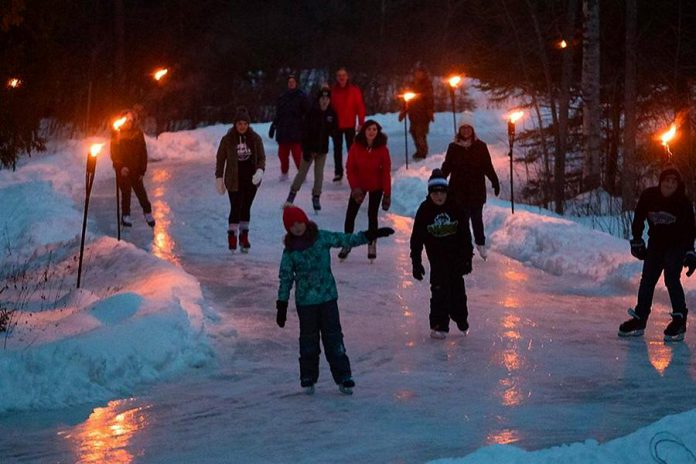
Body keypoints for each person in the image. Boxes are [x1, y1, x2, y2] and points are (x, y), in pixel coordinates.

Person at [276, 206, 394, 394]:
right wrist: (282, 304)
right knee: (308, 341)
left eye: (299, 222)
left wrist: (370, 234)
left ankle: (343, 376)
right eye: (292, 226)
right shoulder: (290, 251)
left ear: (305, 221)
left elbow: (345, 239)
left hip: (327, 299)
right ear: (287, 229)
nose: (297, 228)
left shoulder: (321, 237)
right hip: (305, 303)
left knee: (334, 338)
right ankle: (308, 377)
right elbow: (285, 277)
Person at [619, 164, 696, 342]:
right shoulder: (649, 196)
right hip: (656, 244)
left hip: (676, 245)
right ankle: (640, 318)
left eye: (673, 182)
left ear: (678, 185)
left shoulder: (682, 202)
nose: (669, 184)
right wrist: (637, 239)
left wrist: (690, 251)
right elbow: (638, 217)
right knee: (647, 279)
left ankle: (679, 319)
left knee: (671, 278)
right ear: (660, 181)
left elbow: (690, 229)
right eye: (666, 180)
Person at [410, 169, 474, 339]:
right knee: (439, 291)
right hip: (437, 260)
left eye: (442, 192)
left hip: (456, 258)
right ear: (430, 193)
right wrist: (416, 262)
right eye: (435, 193)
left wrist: (467, 258)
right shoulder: (424, 211)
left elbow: (465, 236)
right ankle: (439, 325)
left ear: (447, 192)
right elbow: (416, 239)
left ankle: (460, 318)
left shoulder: (456, 207)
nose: (438, 196)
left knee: (457, 293)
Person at [441, 115, 500, 260]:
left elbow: (487, 166)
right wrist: (439, 180)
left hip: (476, 191)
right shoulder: (453, 147)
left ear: (472, 130)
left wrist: (494, 181)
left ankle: (480, 243)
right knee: (462, 220)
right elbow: (447, 166)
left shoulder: (481, 146)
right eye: (463, 128)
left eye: (468, 128)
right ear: (459, 130)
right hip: (458, 191)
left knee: (477, 218)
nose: (466, 131)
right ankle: (465, 246)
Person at [215, 106, 266, 253]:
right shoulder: (228, 140)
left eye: (245, 124)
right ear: (235, 124)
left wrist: (260, 171)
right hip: (233, 180)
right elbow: (220, 159)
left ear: (248, 124)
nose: (242, 126)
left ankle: (244, 237)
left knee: (246, 208)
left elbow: (262, 157)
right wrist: (219, 177)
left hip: (251, 180)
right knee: (235, 207)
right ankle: (232, 235)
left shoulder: (255, 139)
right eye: (239, 124)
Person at [339, 120, 392, 261]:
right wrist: (355, 188)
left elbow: (386, 172)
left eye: (374, 129)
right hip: (360, 184)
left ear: (378, 131)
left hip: (376, 185)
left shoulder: (382, 149)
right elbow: (350, 168)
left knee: (372, 214)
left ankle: (372, 242)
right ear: (364, 131)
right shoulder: (356, 147)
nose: (371, 132)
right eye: (369, 129)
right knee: (351, 214)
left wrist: (387, 194)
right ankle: (347, 242)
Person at [285, 87, 337, 212]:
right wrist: (306, 149)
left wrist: (334, 132)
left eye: (327, 98)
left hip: (322, 150)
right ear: (318, 100)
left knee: (319, 175)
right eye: (322, 98)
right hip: (309, 149)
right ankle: (292, 194)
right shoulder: (312, 113)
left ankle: (316, 196)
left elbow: (334, 130)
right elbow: (304, 132)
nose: (324, 101)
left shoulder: (331, 114)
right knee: (302, 174)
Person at [110, 109, 155, 228]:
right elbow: (114, 153)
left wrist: (142, 170)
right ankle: (126, 215)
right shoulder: (117, 133)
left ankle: (147, 212)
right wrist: (120, 167)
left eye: (131, 120)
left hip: (136, 169)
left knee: (141, 192)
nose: (128, 123)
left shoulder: (138, 134)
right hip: (123, 170)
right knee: (126, 192)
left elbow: (143, 152)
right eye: (126, 120)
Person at [269, 73, 309, 180]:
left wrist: (306, 127)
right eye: (289, 82)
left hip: (296, 131)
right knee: (282, 155)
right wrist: (273, 126)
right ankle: (284, 172)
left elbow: (307, 113)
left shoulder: (301, 96)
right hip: (283, 131)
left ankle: (302, 174)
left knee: (297, 155)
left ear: (296, 84)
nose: (291, 84)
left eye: (293, 82)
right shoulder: (282, 97)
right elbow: (278, 114)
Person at [330, 67, 366, 182]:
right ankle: (338, 172)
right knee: (337, 150)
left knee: (352, 149)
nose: (341, 78)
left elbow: (360, 107)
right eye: (339, 75)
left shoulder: (354, 90)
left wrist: (361, 122)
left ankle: (354, 170)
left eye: (343, 75)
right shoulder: (333, 91)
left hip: (350, 124)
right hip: (336, 125)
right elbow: (329, 109)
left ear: (347, 77)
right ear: (337, 78)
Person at [399, 62, 434, 160]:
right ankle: (419, 150)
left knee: (420, 133)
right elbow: (406, 97)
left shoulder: (427, 85)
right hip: (413, 113)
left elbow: (429, 98)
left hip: (422, 114)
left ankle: (423, 151)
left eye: (420, 73)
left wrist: (429, 110)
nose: (418, 75)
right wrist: (404, 110)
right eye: (417, 73)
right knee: (413, 132)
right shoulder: (411, 84)